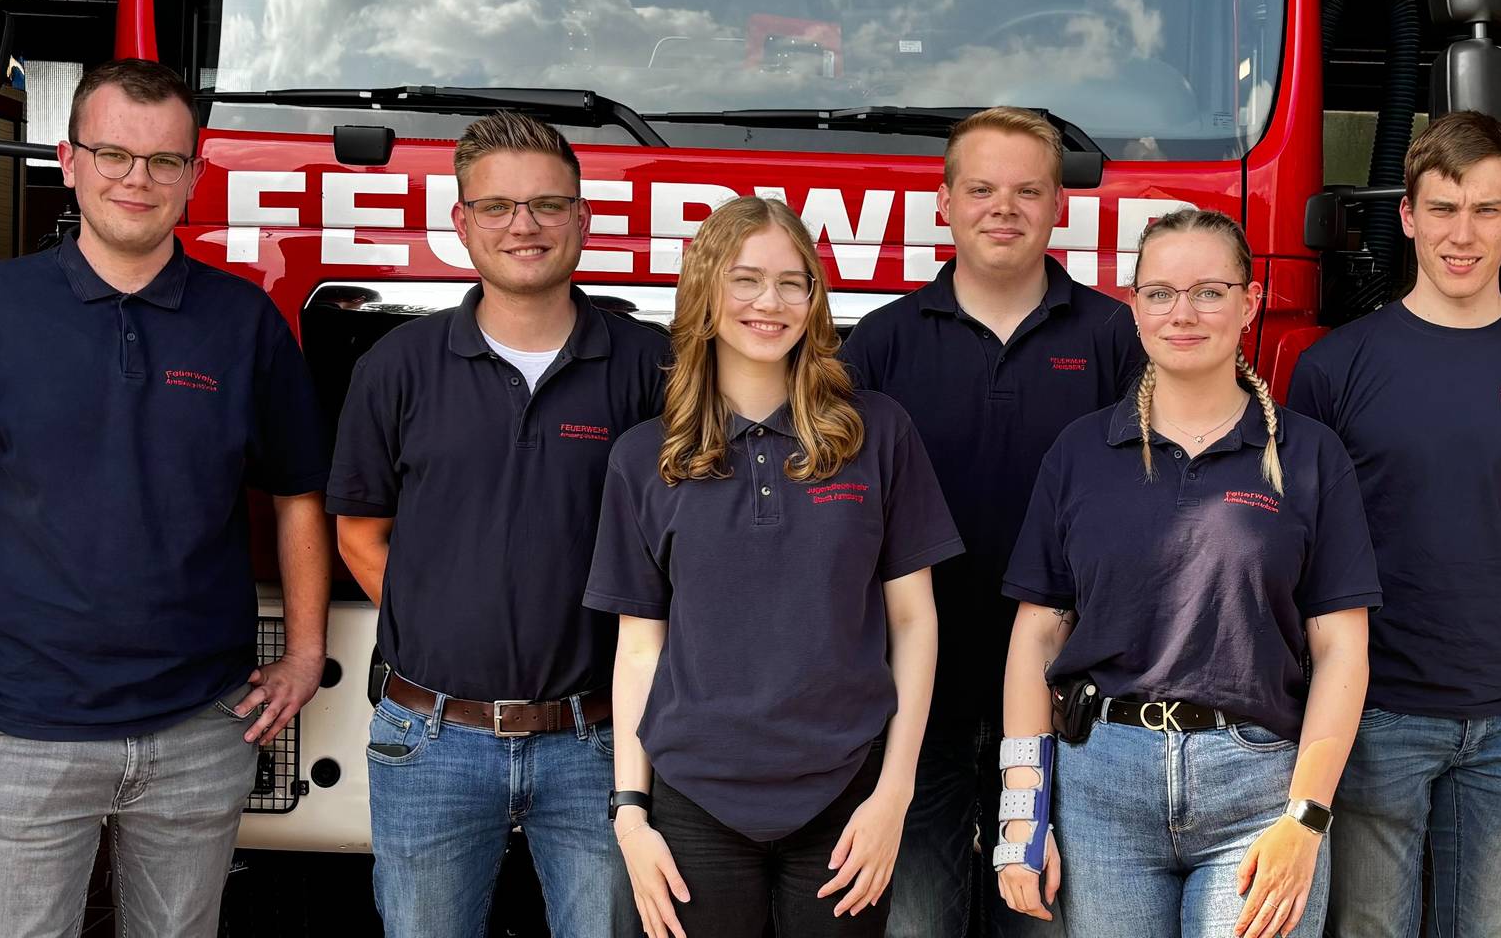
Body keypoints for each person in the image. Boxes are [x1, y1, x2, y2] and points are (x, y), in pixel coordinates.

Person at [0, 58, 331, 938]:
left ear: (196, 170)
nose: (136, 180)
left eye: (163, 161)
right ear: (68, 162)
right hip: (19, 732)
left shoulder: (243, 321)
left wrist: (305, 654)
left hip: (199, 727)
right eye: (112, 154)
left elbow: (300, 496)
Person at [995, 208, 1380, 938]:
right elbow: (1036, 637)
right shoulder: (1080, 453)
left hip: (1259, 788)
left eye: (1209, 291)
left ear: (1251, 301)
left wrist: (1307, 819)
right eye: (1161, 293)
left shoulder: (1308, 455)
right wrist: (1024, 814)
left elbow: (1340, 650)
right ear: (1133, 304)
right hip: (1102, 782)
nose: (1184, 313)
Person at [585, 197, 964, 938]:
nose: (771, 302)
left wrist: (893, 794)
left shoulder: (876, 432)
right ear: (705, 293)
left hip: (847, 798)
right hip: (694, 801)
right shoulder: (645, 456)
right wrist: (631, 814)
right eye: (747, 279)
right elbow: (638, 648)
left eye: (794, 283)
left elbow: (915, 622)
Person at [328, 111, 668, 937]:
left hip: (599, 741)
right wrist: (438, 616)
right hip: (430, 739)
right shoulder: (397, 368)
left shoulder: (648, 365)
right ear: (462, 223)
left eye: (549, 205)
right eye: (498, 207)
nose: (525, 225)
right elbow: (358, 531)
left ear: (583, 220)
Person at [1289, 112, 1501, 938]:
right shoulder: (1335, 366)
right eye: (1441, 208)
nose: (1460, 235)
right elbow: (1305, 541)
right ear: (1407, 215)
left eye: (1484, 210)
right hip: (1376, 714)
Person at [841, 107, 1142, 938]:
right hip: (914, 701)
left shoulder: (1116, 337)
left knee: (1040, 919)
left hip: (1063, 703)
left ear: (1057, 208)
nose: (1002, 209)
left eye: (1026, 191)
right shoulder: (881, 344)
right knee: (917, 925)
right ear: (944, 201)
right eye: (980, 189)